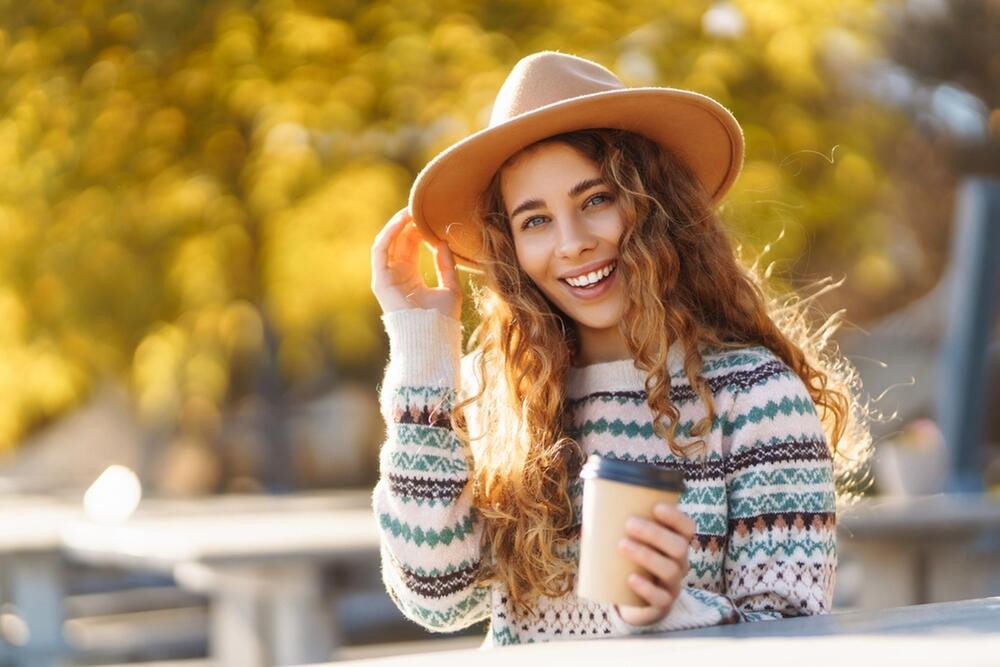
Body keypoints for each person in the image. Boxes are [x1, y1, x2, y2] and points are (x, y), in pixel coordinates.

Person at [370, 51, 869, 645]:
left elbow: (796, 633)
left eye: (596, 200)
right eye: (535, 221)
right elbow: (436, 597)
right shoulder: (496, 399)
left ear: (655, 203)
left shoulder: (758, 398)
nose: (573, 243)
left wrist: (669, 611)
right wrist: (424, 349)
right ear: (509, 249)